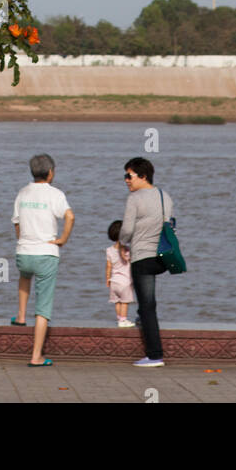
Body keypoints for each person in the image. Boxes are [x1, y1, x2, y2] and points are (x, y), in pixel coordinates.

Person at [11, 153, 74, 367]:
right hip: (46, 253)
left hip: (24, 252)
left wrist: (23, 241)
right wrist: (62, 239)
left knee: (24, 275)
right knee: (43, 306)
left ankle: (20, 316)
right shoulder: (55, 194)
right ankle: (36, 355)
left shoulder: (22, 192)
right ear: (50, 173)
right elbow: (70, 216)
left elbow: (16, 222)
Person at [119, 156, 173, 367]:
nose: (126, 180)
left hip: (142, 256)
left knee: (148, 306)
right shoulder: (164, 195)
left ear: (142, 176)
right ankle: (142, 320)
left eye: (129, 176)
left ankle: (154, 355)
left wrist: (122, 242)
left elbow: (127, 229)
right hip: (161, 257)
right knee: (147, 303)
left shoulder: (135, 199)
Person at [105, 221, 135, 326]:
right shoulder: (127, 250)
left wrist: (107, 279)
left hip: (114, 281)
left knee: (117, 302)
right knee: (124, 302)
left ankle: (119, 319)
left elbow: (108, 267)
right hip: (125, 282)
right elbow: (131, 262)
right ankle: (123, 320)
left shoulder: (109, 250)